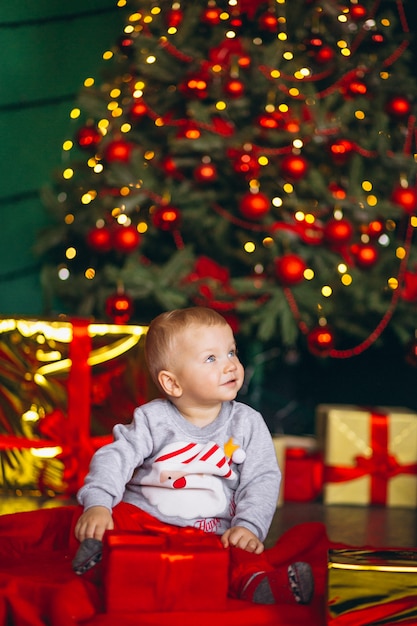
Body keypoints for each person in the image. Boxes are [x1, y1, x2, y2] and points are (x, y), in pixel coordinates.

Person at [72, 306, 314, 605]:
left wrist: (248, 526)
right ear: (173, 383)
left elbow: (261, 479)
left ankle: (259, 584)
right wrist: (98, 503)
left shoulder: (247, 423)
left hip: (211, 532)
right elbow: (115, 457)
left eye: (231, 352)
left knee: (239, 553)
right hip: (147, 523)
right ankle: (102, 560)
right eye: (211, 358)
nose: (230, 366)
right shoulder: (152, 419)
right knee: (116, 518)